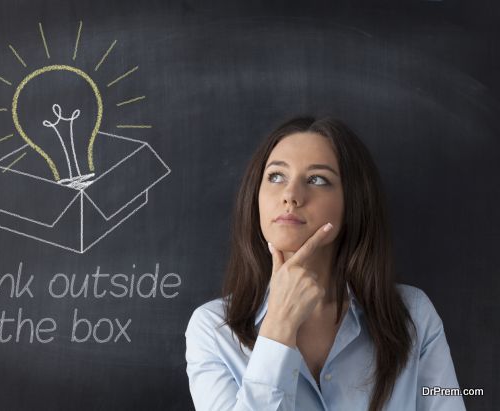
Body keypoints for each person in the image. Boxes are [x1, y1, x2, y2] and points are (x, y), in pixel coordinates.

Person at [185, 116, 466, 410]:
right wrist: (278, 328)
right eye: (276, 176)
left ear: (353, 203)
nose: (291, 196)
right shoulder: (212, 330)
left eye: (317, 180)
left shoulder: (414, 315)